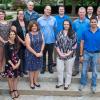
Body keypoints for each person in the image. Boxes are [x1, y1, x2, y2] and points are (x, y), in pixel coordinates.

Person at [79, 17, 100, 93]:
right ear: (90, 23)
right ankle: (82, 83)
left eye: (95, 22)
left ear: (97, 23)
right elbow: (81, 43)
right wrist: (81, 55)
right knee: (84, 69)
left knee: (94, 70)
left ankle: (94, 85)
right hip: (86, 53)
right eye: (92, 22)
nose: (93, 23)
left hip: (96, 54)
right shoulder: (85, 32)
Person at [55, 20, 77, 90]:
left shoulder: (73, 33)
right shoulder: (60, 33)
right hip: (60, 55)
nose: (66, 25)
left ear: (70, 25)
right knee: (59, 69)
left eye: (67, 24)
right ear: (63, 25)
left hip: (70, 56)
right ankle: (60, 82)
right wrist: (60, 53)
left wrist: (67, 54)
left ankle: (67, 83)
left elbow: (74, 45)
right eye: (65, 24)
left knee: (69, 70)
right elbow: (56, 44)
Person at [37, 5, 57, 74]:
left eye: (50, 10)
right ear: (44, 10)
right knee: (43, 55)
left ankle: (50, 68)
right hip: (42, 41)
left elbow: (55, 28)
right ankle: (43, 68)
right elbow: (37, 30)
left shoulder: (54, 19)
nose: (48, 11)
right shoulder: (39, 20)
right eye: (47, 9)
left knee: (50, 55)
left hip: (51, 40)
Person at [25, 21, 44, 89]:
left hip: (39, 53)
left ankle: (35, 81)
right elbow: (28, 46)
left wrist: (41, 51)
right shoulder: (28, 34)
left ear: (37, 26)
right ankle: (31, 83)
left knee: (37, 68)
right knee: (32, 69)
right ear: (30, 27)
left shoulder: (40, 33)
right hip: (31, 54)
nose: (34, 27)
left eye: (35, 26)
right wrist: (35, 53)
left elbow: (43, 42)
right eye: (32, 26)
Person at [72, 7, 90, 76]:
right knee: (76, 57)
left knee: (85, 58)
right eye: (80, 12)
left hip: (86, 44)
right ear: (78, 13)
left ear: (85, 13)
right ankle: (76, 70)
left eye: (83, 12)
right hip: (77, 43)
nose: (81, 13)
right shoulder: (75, 22)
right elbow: (73, 32)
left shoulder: (88, 22)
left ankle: (85, 71)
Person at [4, 29, 21, 99]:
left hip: (17, 65)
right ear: (9, 36)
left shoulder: (17, 43)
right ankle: (11, 91)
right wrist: (13, 65)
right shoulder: (6, 44)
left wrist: (18, 64)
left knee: (16, 77)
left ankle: (15, 89)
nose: (12, 35)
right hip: (10, 65)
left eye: (13, 34)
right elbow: (7, 57)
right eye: (11, 34)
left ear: (15, 35)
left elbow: (20, 56)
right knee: (10, 78)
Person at [12, 9, 28, 75]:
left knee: (25, 56)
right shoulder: (14, 23)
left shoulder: (26, 22)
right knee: (19, 57)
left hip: (26, 42)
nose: (21, 15)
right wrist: (22, 41)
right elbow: (15, 34)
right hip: (18, 43)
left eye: (22, 14)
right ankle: (20, 71)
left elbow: (28, 32)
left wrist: (26, 41)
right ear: (17, 15)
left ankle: (24, 70)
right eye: (20, 14)